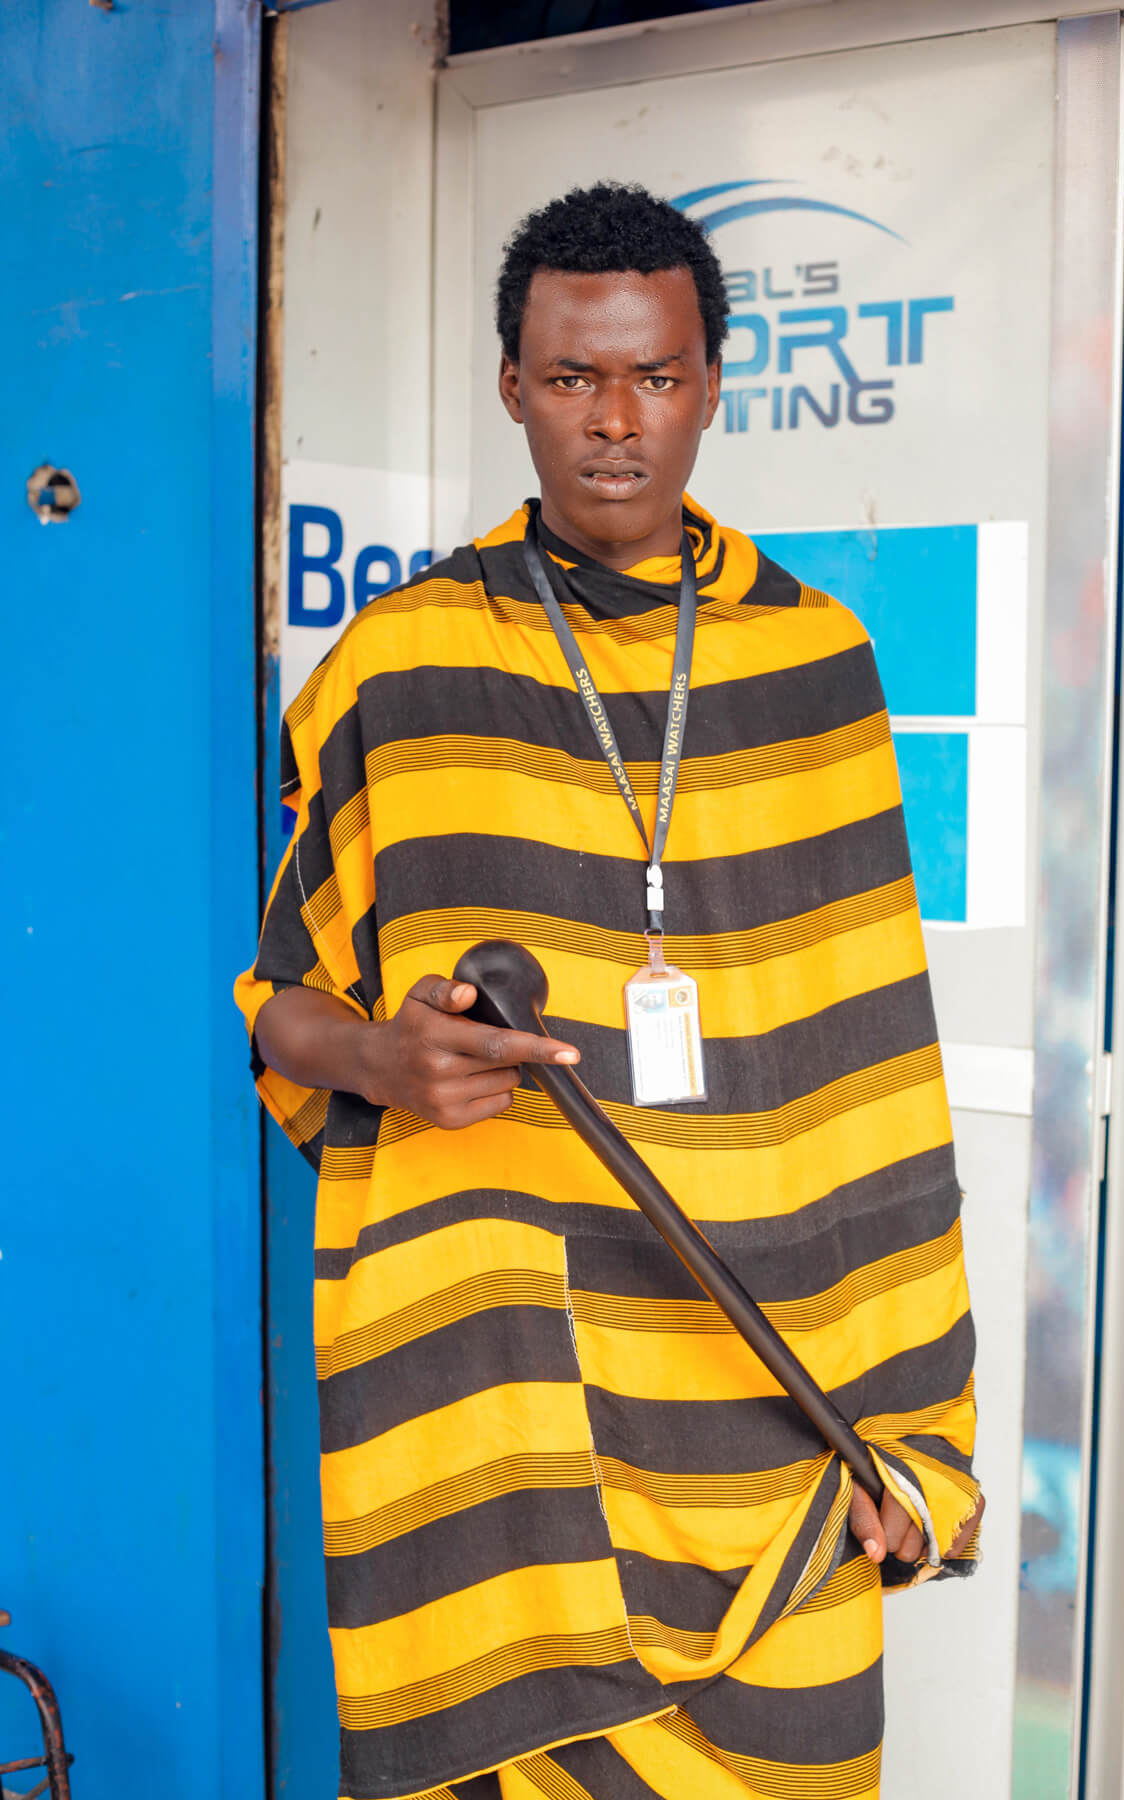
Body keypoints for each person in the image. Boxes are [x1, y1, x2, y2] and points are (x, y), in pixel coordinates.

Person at [235, 182, 983, 1800]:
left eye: (655, 375)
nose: (617, 422)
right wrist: (381, 1057)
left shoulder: (817, 663)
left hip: (768, 1385)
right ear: (513, 387)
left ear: (712, 382)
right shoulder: (398, 664)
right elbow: (279, 1005)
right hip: (498, 1401)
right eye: (573, 378)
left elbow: (880, 1079)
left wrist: (913, 1426)